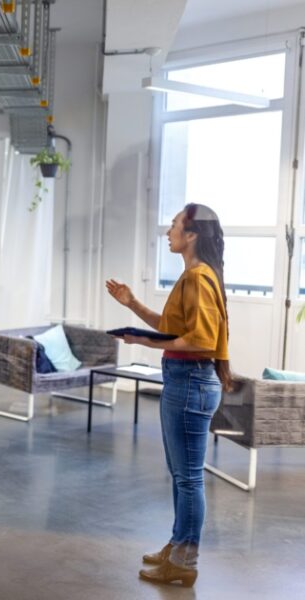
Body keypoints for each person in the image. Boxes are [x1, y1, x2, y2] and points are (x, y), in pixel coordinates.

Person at [106, 203, 231, 587]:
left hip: (190, 380)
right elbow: (170, 327)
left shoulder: (197, 276)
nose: (169, 231)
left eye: (175, 225)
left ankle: (185, 561)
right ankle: (178, 544)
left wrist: (142, 340)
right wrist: (133, 305)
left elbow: (202, 340)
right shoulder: (194, 276)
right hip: (184, 379)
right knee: (182, 475)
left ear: (191, 234)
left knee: (189, 478)